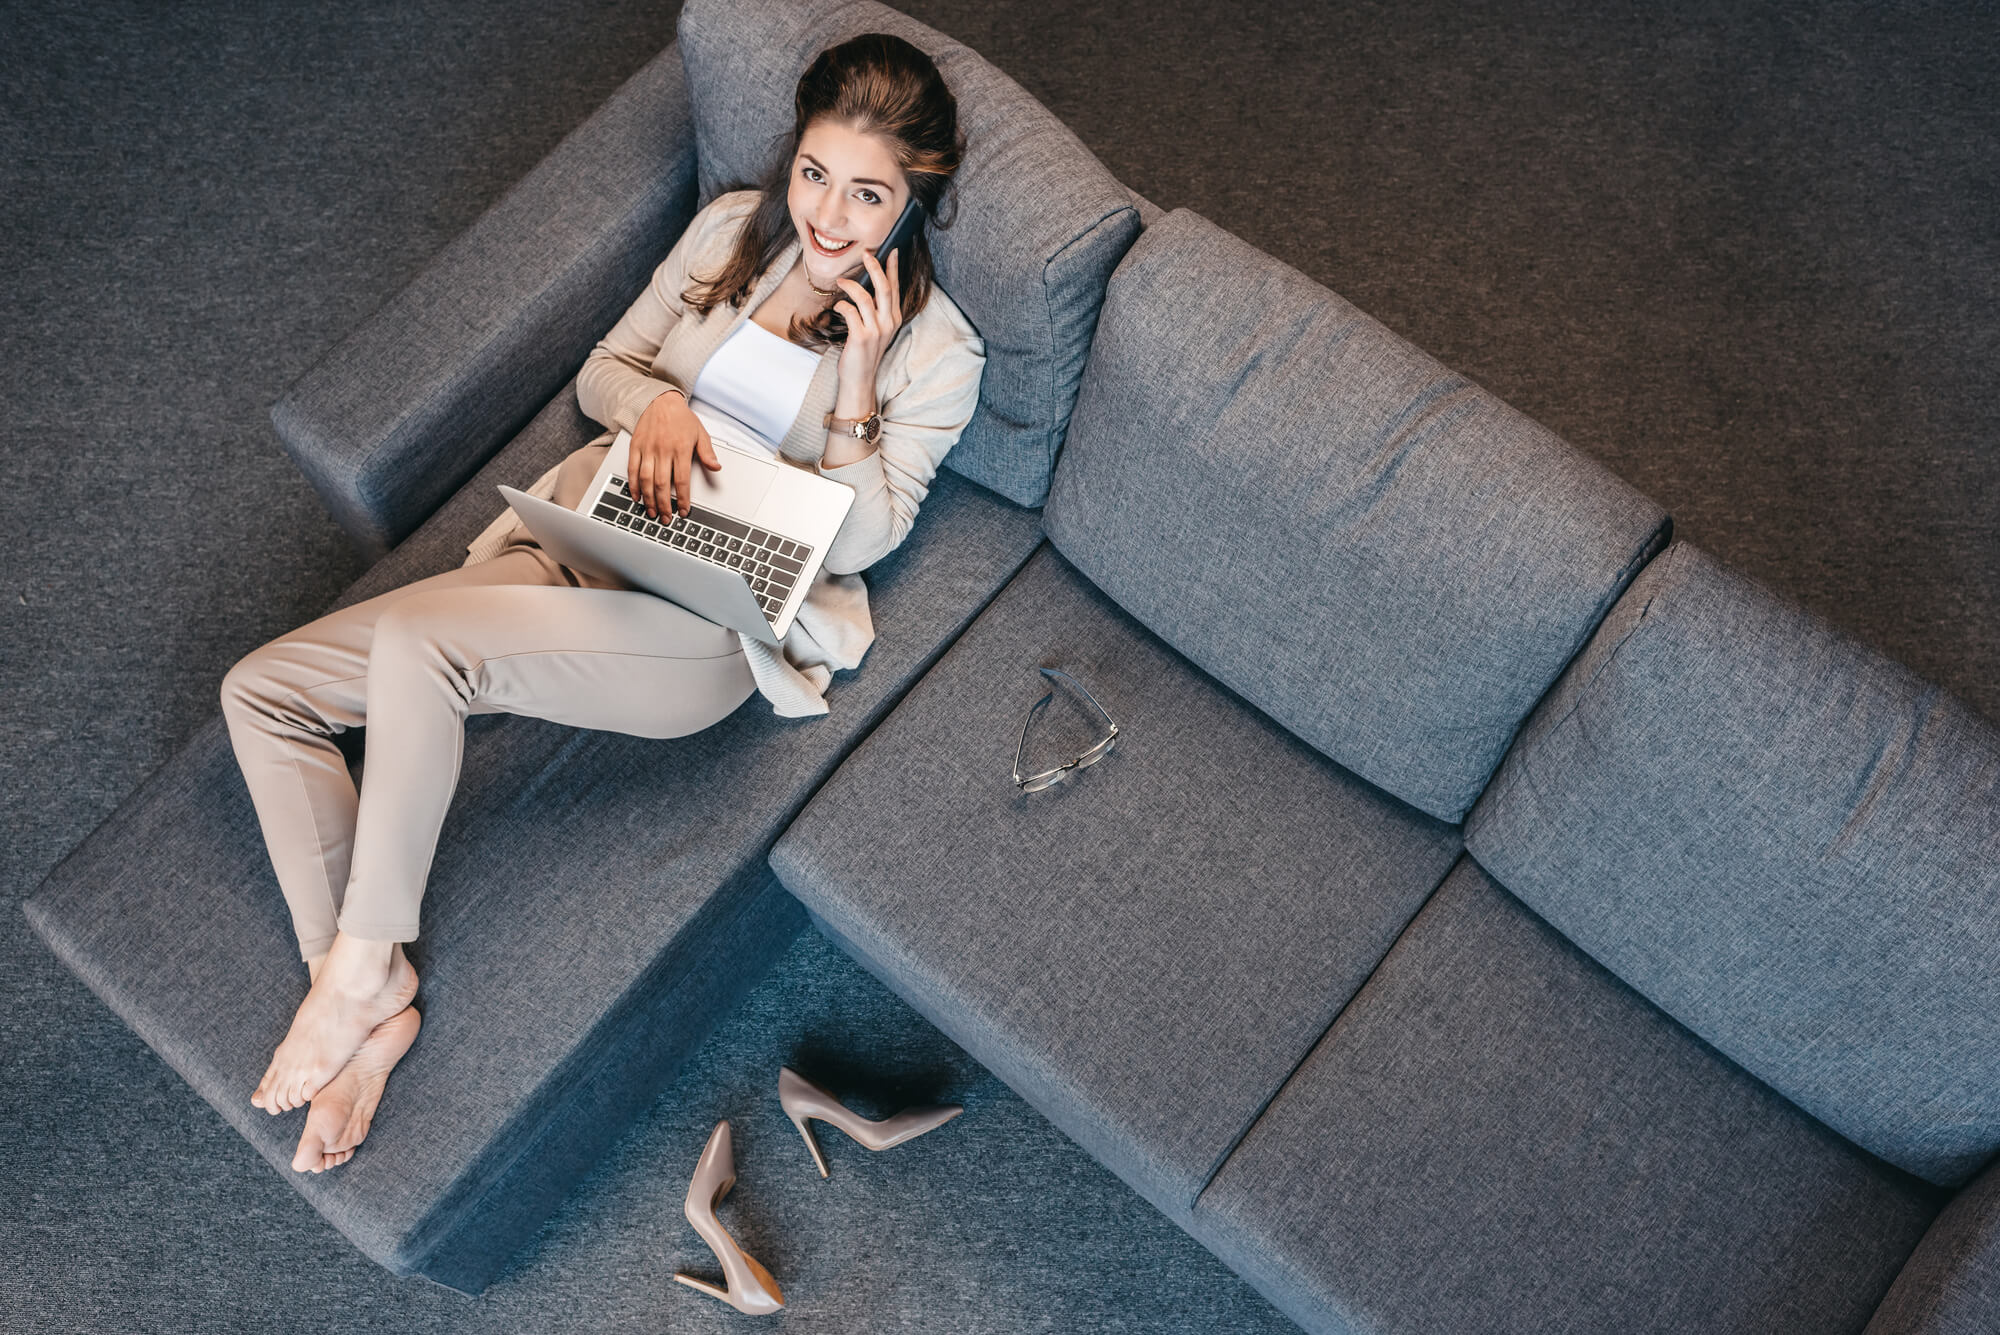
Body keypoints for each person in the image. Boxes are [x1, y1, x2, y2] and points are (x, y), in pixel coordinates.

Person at [218, 32, 982, 1175]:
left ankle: (366, 966)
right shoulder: (732, 230)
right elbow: (602, 370)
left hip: (706, 628)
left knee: (425, 645)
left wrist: (859, 387)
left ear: (912, 203)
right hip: (593, 536)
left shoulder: (938, 350)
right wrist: (659, 412)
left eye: (868, 195)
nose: (828, 215)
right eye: (814, 173)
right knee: (262, 689)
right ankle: (364, 994)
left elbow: (865, 532)